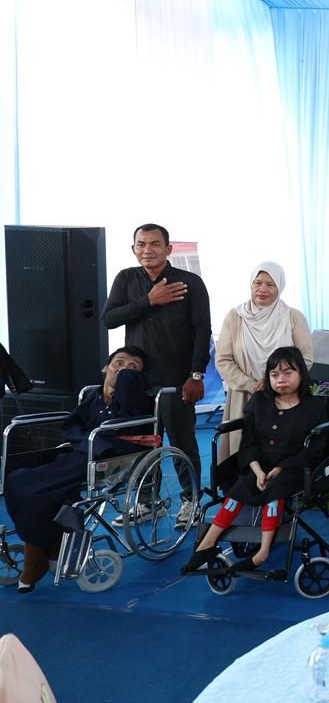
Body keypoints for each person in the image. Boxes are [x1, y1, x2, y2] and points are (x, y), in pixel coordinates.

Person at [5, 347, 150, 591]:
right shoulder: (93, 397)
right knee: (15, 479)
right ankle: (49, 545)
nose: (124, 369)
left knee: (31, 491)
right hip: (79, 452)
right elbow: (72, 426)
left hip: (108, 458)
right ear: (105, 368)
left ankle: (36, 558)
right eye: (118, 363)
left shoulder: (136, 399)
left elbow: (124, 426)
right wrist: (83, 442)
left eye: (133, 367)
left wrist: (127, 379)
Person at [183, 347, 327, 574]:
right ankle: (207, 544)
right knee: (240, 487)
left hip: (294, 467)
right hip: (259, 464)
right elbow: (248, 443)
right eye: (274, 374)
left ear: (301, 373)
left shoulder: (315, 407)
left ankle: (263, 551)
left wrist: (281, 467)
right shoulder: (260, 401)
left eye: (287, 373)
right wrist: (257, 470)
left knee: (275, 489)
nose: (280, 380)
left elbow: (315, 449)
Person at [102, 224, 210, 525]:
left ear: (168, 249)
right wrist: (149, 300)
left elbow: (203, 330)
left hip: (176, 380)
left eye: (155, 244)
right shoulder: (126, 278)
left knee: (182, 444)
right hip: (136, 383)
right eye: (141, 244)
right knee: (142, 442)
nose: (147, 250)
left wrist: (196, 375)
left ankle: (191, 502)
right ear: (133, 248)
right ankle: (149, 502)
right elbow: (109, 319)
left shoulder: (189, 282)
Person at [214, 263, 314, 464]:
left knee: (282, 453)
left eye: (270, 284)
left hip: (286, 397)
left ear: (280, 287)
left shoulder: (293, 317)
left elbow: (306, 358)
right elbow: (223, 360)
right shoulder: (235, 317)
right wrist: (251, 384)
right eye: (258, 283)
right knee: (243, 453)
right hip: (245, 395)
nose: (262, 289)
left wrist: (278, 382)